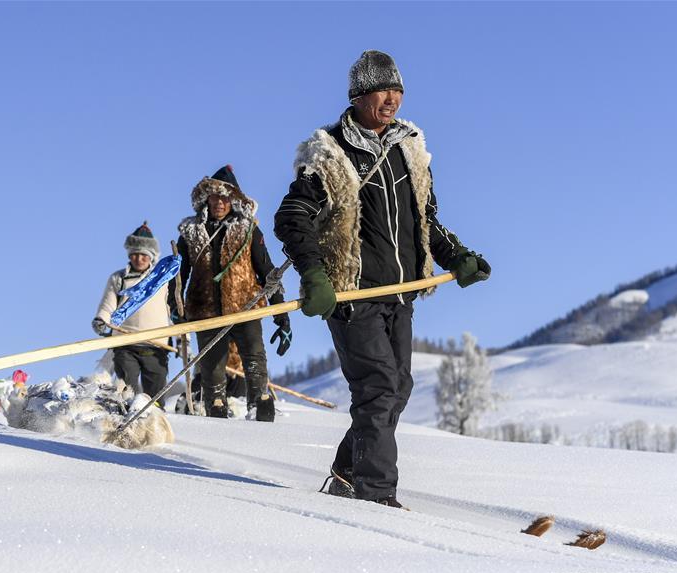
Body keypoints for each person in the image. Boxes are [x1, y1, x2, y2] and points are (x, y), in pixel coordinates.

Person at [274, 50, 491, 507]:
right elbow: (293, 216)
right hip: (352, 293)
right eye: (382, 90)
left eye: (398, 91)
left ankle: (348, 473)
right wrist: (315, 274)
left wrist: (458, 256)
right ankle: (375, 497)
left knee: (398, 389)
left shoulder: (408, 147)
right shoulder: (330, 152)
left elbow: (425, 219)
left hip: (400, 293)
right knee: (377, 388)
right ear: (358, 96)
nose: (392, 99)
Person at [170, 165, 291, 421]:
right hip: (206, 311)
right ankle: (216, 414)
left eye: (225, 197)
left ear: (234, 200)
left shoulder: (248, 230)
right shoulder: (190, 233)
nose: (220, 203)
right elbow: (178, 275)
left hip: (245, 307)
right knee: (212, 370)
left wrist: (282, 316)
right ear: (206, 198)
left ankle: (261, 406)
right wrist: (175, 306)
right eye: (215, 197)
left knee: (254, 359)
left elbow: (268, 271)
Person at [92, 222, 171, 397]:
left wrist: (183, 340)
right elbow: (108, 304)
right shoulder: (119, 278)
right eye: (135, 254)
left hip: (156, 344)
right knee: (127, 389)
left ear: (152, 256)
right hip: (125, 343)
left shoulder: (163, 280)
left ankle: (155, 418)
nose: (139, 259)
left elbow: (173, 311)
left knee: (155, 394)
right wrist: (101, 320)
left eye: (144, 255)